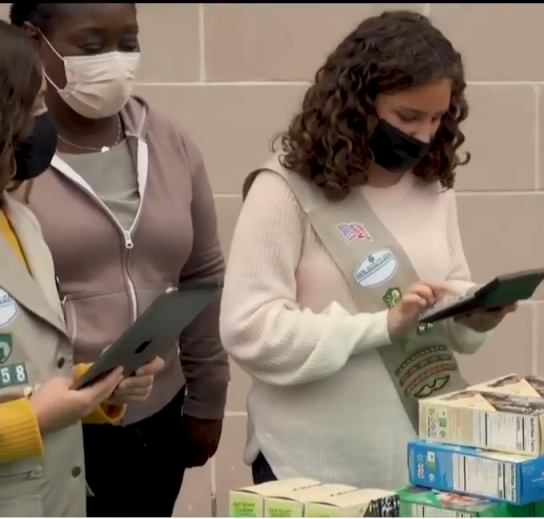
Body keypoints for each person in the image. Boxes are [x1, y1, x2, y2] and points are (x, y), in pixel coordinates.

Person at [220, 10, 515, 490]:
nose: (424, 136)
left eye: (437, 119)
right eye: (408, 117)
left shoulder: (433, 186)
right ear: (358, 104)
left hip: (417, 466)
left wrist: (471, 314)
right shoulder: (284, 191)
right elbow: (248, 330)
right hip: (308, 471)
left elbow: (447, 288)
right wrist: (379, 326)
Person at [8, 3, 230, 517]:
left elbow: (202, 275)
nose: (114, 60)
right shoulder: (19, 157)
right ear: (35, 40)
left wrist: (207, 397)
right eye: (91, 46)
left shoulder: (167, 140)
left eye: (128, 42)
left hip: (153, 414)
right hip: (46, 417)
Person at [0, 21, 160, 517]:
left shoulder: (19, 219)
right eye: (34, 108)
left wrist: (93, 386)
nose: (43, 126)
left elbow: (29, 373)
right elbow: (30, 408)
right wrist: (33, 418)